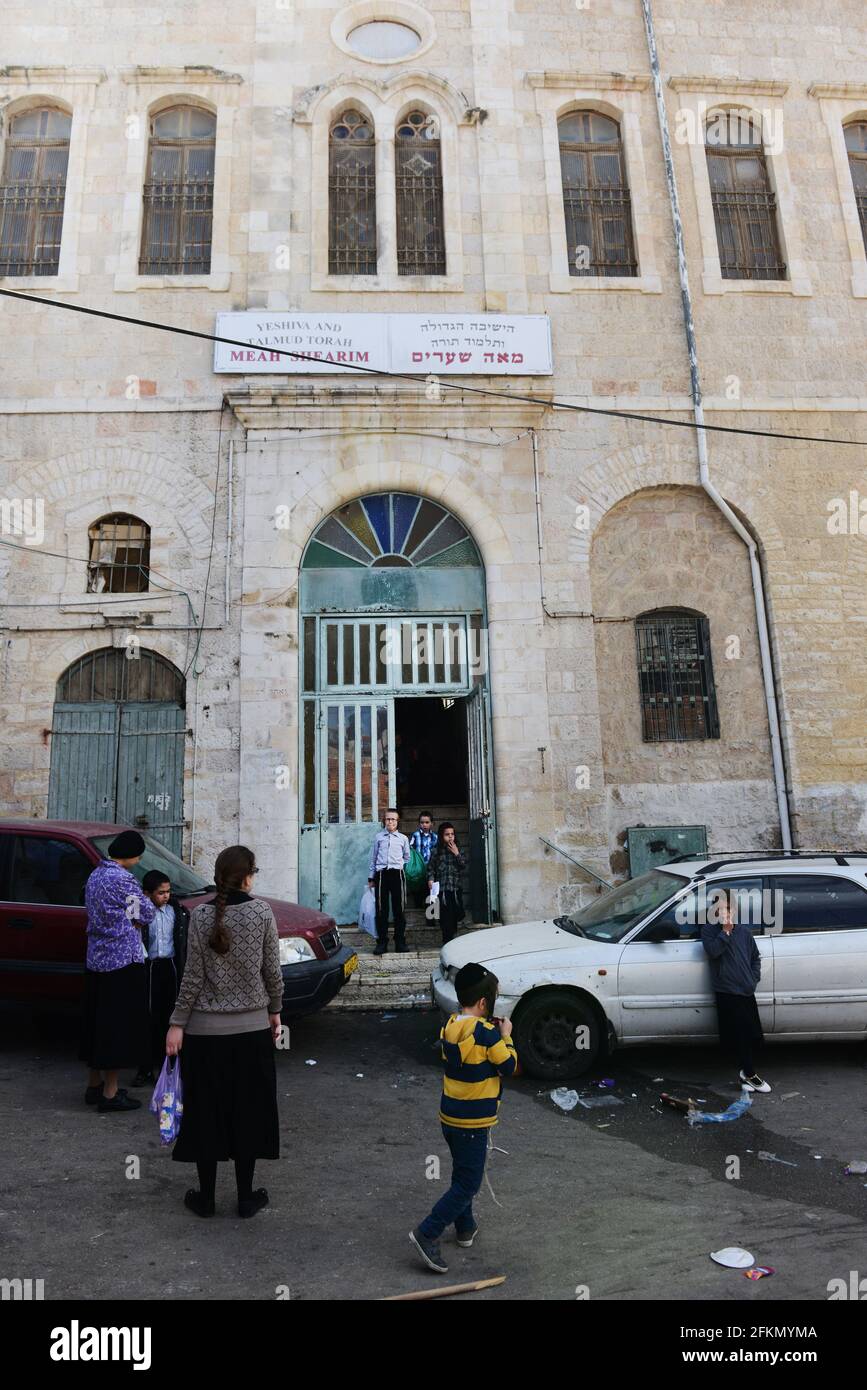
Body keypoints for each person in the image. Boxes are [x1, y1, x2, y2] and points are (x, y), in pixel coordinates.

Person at [166, 845, 283, 1218]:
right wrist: (275, 1012)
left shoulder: (199, 916)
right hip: (251, 1031)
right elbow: (272, 972)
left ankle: (206, 1198)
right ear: (248, 875)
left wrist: (177, 1023)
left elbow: (192, 977)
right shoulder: (262, 912)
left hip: (204, 1035)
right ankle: (247, 1197)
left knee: (206, 1113)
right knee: (248, 1111)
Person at [410, 962, 517, 1274]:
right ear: (484, 1003)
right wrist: (506, 1036)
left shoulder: (451, 1026)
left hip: (450, 1117)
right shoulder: (487, 1034)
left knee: (462, 1173)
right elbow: (509, 1066)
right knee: (468, 1184)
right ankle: (427, 1232)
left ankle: (466, 1227)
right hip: (473, 1122)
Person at [79, 830, 154, 1114]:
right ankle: (111, 1094)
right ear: (132, 854)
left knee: (97, 1023)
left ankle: (94, 1084)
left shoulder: (96, 875)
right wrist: (133, 921)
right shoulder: (123, 880)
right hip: (121, 961)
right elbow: (144, 913)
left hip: (96, 958)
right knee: (116, 1028)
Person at [701, 887, 771, 1093]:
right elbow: (713, 952)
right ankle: (750, 1074)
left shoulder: (744, 932)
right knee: (739, 1032)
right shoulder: (709, 931)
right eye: (720, 909)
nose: (725, 912)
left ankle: (744, 1075)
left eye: (728, 908)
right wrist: (725, 932)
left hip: (746, 989)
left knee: (752, 1033)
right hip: (727, 990)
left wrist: (753, 978)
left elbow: (755, 957)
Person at [130, 871, 189, 1089]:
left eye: (168, 892)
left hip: (171, 966)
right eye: (160, 893)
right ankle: (145, 1067)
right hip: (150, 967)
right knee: (148, 1017)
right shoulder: (139, 910)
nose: (165, 896)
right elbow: (131, 932)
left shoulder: (178, 911)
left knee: (171, 1016)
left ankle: (172, 1065)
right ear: (147, 893)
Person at [368, 808, 410, 956]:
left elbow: (407, 857)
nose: (390, 821)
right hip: (381, 875)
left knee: (399, 909)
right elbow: (373, 858)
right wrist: (371, 877)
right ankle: (382, 942)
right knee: (381, 910)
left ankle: (400, 941)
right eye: (388, 819)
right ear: (384, 821)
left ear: (398, 822)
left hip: (397, 874)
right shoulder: (379, 838)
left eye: (393, 819)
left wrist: (398, 866)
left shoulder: (403, 839)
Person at [427, 822, 466, 945]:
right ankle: (447, 941)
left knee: (456, 916)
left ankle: (451, 937)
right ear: (441, 836)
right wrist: (430, 879)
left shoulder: (459, 849)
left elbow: (463, 865)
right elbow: (430, 868)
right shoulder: (436, 851)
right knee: (445, 918)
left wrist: (456, 853)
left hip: (455, 889)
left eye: (452, 834)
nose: (450, 837)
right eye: (447, 834)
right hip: (442, 891)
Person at [409, 813, 438, 908]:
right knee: (418, 889)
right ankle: (418, 905)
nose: (424, 825)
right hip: (418, 868)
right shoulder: (415, 835)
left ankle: (430, 912)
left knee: (430, 891)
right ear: (419, 824)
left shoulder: (435, 837)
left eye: (427, 822)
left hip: (431, 868)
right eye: (422, 822)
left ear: (432, 824)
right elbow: (410, 849)